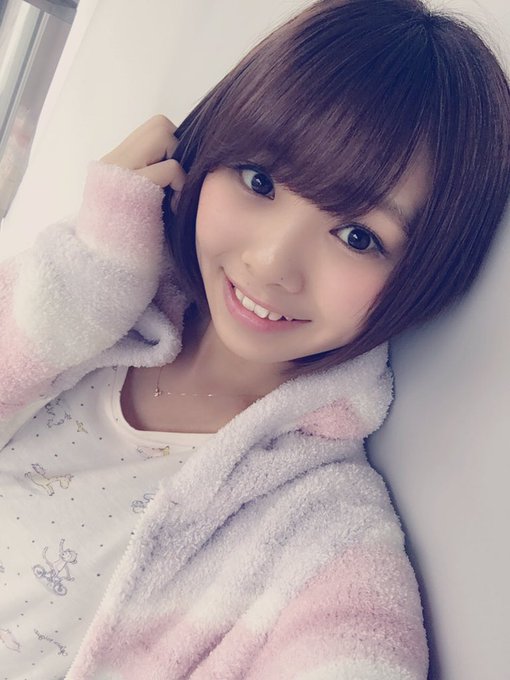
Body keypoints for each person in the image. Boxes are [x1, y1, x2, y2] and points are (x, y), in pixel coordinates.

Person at [1, 0, 509, 677]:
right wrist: (83, 274)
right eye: (260, 180)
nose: (272, 263)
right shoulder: (83, 318)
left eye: (358, 236)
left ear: (427, 276)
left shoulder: (326, 537)